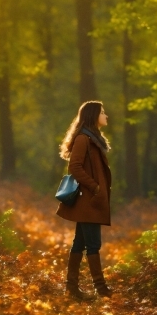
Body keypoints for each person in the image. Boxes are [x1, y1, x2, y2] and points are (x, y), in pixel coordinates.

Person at [57, 100, 112, 300]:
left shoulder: (93, 138)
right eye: (102, 112)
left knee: (79, 243)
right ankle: (101, 288)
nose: (106, 115)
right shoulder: (83, 139)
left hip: (91, 200)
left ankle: (71, 288)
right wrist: (95, 187)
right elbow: (75, 168)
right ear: (93, 116)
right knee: (93, 244)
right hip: (88, 201)